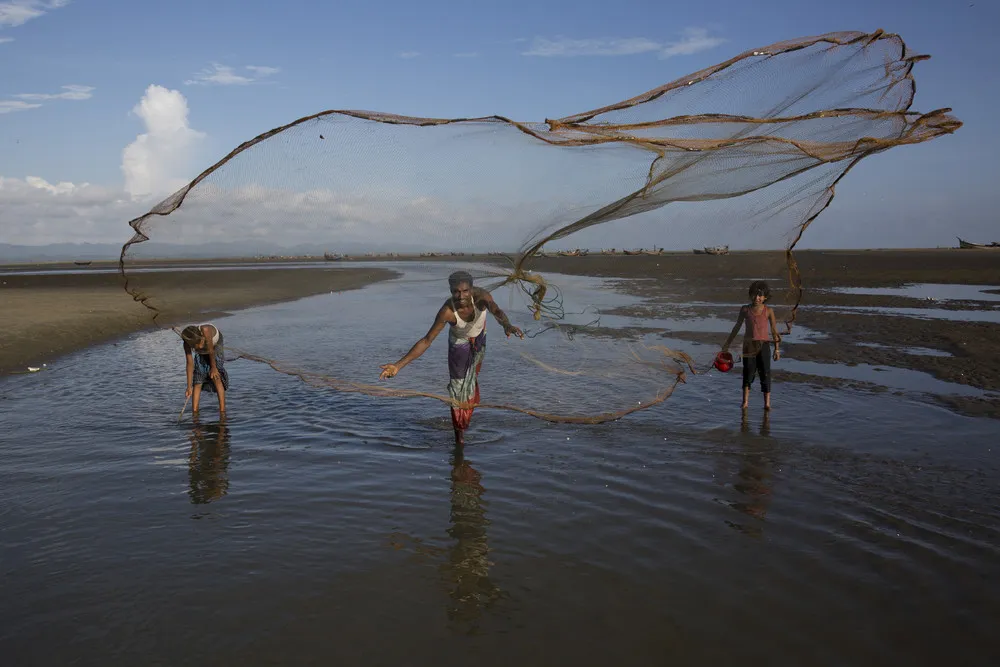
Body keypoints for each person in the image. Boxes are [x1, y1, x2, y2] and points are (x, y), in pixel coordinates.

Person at [379, 271, 524, 446]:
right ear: (450, 290)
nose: (461, 296)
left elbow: (496, 310)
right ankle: (459, 436)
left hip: (479, 338)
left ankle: (466, 415)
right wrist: (398, 366)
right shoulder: (447, 311)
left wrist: (507, 325)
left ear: (471, 289)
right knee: (457, 388)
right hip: (459, 345)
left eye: (465, 291)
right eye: (456, 291)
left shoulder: (481, 297)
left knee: (470, 382)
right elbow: (426, 341)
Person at [722, 280, 781, 410]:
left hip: (764, 346)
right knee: (748, 373)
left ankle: (767, 404)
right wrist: (727, 344)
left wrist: (777, 350)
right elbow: (736, 327)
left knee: (765, 373)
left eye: (760, 295)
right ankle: (745, 402)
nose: (757, 298)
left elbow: (774, 331)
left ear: (765, 297)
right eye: (754, 294)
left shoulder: (769, 311)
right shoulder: (745, 309)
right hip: (748, 346)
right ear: (750, 295)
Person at [181, 323, 228, 415]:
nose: (199, 348)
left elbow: (211, 351)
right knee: (197, 379)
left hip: (215, 346)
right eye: (195, 347)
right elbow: (190, 364)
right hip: (205, 347)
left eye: (199, 345)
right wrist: (188, 387)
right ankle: (195, 412)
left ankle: (222, 412)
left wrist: (213, 368)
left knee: (215, 376)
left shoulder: (205, 330)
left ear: (200, 338)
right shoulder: (187, 343)